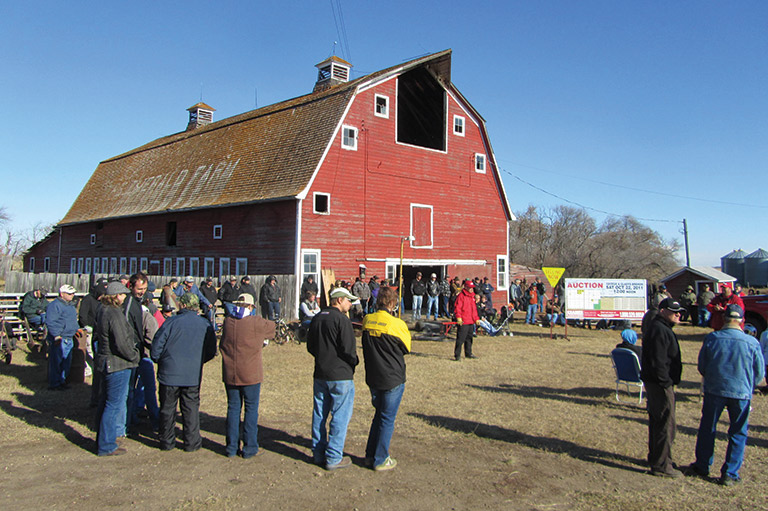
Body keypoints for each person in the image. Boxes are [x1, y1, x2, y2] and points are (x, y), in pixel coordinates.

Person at [683, 305, 764, 486]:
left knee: (708, 428)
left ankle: (702, 465)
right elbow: (759, 372)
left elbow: (702, 366)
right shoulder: (752, 343)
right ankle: (730, 473)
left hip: (714, 390)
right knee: (738, 432)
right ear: (742, 320)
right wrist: (749, 385)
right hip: (741, 392)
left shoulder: (713, 338)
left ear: (724, 319)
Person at [151, 293, 217, 452]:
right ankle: (192, 443)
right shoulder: (204, 324)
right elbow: (211, 350)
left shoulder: (170, 323)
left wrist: (162, 360)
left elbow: (156, 349)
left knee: (167, 408)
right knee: (191, 408)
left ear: (182, 305)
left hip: (169, 373)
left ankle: (166, 441)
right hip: (192, 374)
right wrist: (197, 362)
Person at [307, 286, 359, 470]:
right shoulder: (342, 321)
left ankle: (318, 452)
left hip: (320, 372)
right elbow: (348, 350)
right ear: (338, 300)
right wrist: (354, 362)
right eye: (348, 300)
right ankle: (334, 456)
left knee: (320, 413)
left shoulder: (317, 318)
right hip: (340, 375)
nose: (350, 304)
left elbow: (310, 346)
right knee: (340, 415)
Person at [219, 293, 276, 458]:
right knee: (251, 410)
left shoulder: (228, 321)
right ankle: (250, 447)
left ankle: (231, 447)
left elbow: (223, 344)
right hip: (251, 373)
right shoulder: (256, 322)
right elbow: (272, 329)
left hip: (231, 372)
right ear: (251, 307)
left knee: (233, 408)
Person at [361, 286, 411, 471]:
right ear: (392, 303)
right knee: (387, 418)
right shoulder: (397, 324)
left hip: (373, 376)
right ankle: (381, 458)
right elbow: (406, 347)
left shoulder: (367, 320)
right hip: (392, 378)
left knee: (378, 415)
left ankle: (370, 454)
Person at [94, 281, 140, 456]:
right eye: (121, 294)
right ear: (115, 296)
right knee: (113, 404)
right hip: (118, 363)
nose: (123, 298)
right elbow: (121, 342)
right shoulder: (114, 313)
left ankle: (104, 438)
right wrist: (134, 355)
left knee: (106, 402)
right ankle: (106, 444)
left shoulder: (103, 310)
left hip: (106, 362)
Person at [641, 298, 685, 478]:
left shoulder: (661, 327)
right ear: (663, 311)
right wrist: (665, 381)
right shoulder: (659, 329)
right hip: (659, 384)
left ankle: (659, 458)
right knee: (665, 424)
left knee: (660, 422)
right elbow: (658, 361)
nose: (678, 314)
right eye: (674, 311)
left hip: (658, 382)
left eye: (679, 311)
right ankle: (661, 465)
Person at [46, 284, 79, 390]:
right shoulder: (54, 305)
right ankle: (54, 383)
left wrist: (76, 328)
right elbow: (51, 322)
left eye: (73, 293)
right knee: (57, 362)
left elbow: (72, 319)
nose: (72, 295)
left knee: (66, 362)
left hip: (69, 337)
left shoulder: (70, 305)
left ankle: (62, 381)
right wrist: (56, 336)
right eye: (69, 294)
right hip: (60, 338)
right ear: (62, 294)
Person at [453, 280, 480, 361]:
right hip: (464, 321)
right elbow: (458, 308)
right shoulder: (461, 296)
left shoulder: (472, 296)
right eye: (470, 287)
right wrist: (458, 317)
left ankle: (468, 353)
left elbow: (474, 309)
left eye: (472, 288)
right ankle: (457, 355)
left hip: (471, 321)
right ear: (466, 287)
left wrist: (476, 319)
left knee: (469, 339)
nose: (472, 289)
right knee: (460, 339)